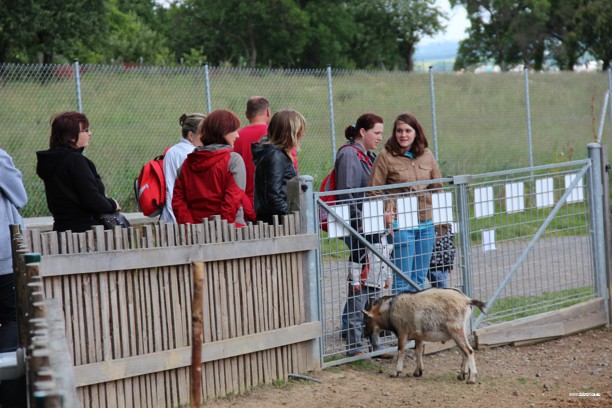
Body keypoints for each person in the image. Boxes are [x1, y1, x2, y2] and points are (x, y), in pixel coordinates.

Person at [332, 114, 393, 357]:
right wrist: (363, 224)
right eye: (376, 133)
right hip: (361, 231)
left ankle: (373, 340)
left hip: (374, 229)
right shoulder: (349, 155)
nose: (380, 137)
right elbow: (346, 194)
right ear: (362, 132)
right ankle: (356, 344)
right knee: (360, 287)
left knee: (375, 285)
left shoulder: (367, 157)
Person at [369, 112, 443, 293]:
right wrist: (388, 208)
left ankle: (415, 319)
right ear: (394, 133)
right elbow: (373, 190)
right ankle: (398, 320)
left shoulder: (427, 156)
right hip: (401, 225)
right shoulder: (385, 157)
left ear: (416, 132)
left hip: (426, 224)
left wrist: (441, 222)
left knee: (419, 278)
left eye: (408, 131)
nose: (403, 135)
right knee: (402, 278)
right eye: (399, 131)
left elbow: (437, 188)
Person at [36, 112, 121, 233]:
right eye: (85, 130)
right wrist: (113, 204)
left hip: (62, 230)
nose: (90, 133)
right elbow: (91, 198)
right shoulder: (75, 161)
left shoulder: (52, 161)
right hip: (85, 233)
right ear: (71, 137)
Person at [172, 109, 254, 226]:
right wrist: (220, 230)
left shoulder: (186, 165)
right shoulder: (233, 160)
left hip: (196, 234)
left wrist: (190, 228)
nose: (237, 134)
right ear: (223, 132)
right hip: (230, 233)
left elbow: (178, 202)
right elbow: (233, 201)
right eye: (233, 130)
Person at [252, 109, 305, 224]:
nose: (302, 134)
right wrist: (290, 216)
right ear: (289, 132)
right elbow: (274, 195)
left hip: (272, 218)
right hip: (276, 221)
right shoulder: (275, 155)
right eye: (299, 131)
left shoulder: (275, 153)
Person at [160, 112, 207, 223]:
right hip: (185, 217)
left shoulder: (172, 151)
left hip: (169, 216)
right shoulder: (192, 154)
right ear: (191, 136)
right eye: (204, 135)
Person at [428, 223, 455, 288]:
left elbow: (450, 244)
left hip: (442, 265)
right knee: (441, 290)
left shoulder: (447, 225)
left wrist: (450, 263)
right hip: (435, 265)